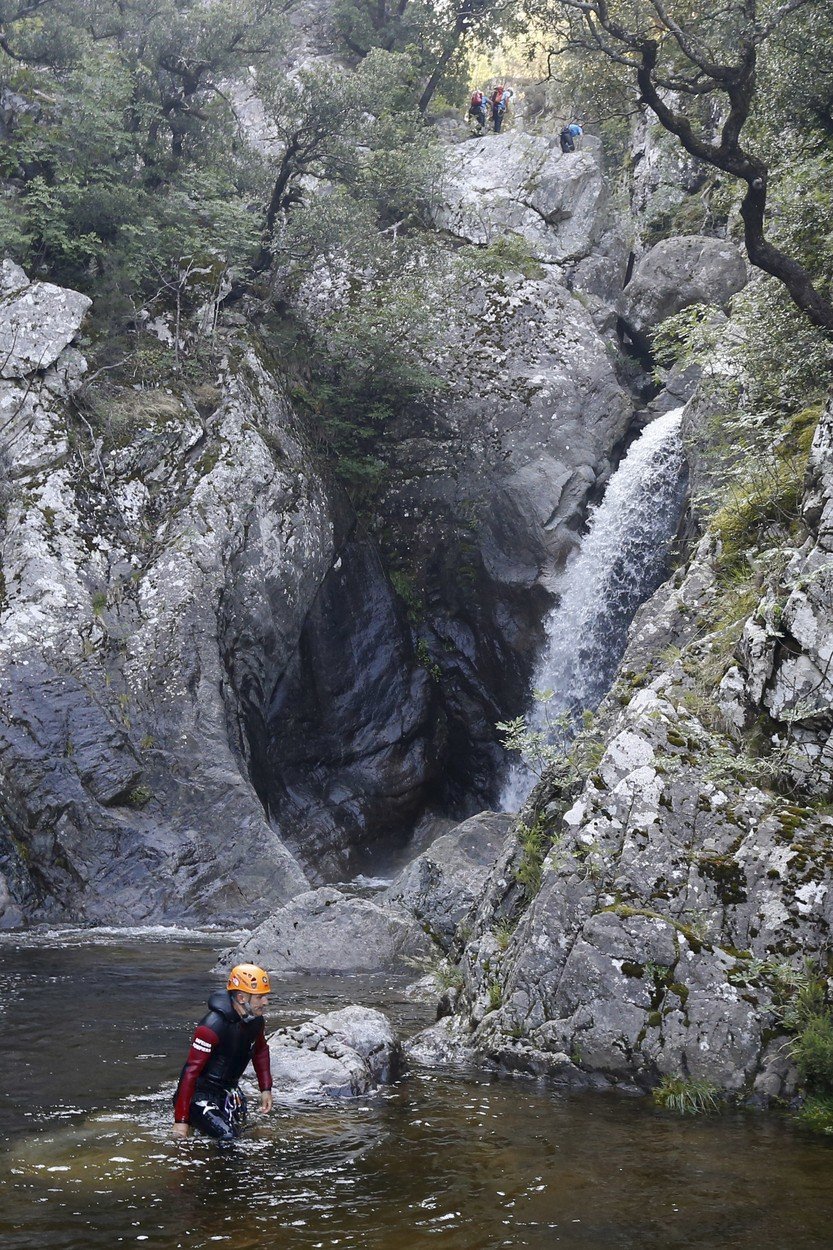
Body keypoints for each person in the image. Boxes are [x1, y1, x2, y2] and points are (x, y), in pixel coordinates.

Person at [173, 963, 274, 1147]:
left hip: (229, 1092)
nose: (266, 1002)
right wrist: (181, 1121)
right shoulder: (212, 1026)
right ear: (242, 997)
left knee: (248, 1133)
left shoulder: (256, 1022)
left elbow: (260, 1050)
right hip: (201, 1095)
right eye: (260, 997)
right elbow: (190, 1072)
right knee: (229, 1137)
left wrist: (265, 1088)